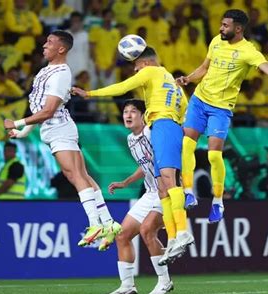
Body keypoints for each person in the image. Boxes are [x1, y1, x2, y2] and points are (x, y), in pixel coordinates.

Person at [176, 9, 268, 221]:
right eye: (221, 24)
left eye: (225, 26)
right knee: (187, 143)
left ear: (238, 29)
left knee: (214, 155)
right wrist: (189, 79)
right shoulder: (216, 41)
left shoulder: (248, 51)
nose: (220, 28)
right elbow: (205, 67)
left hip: (221, 108)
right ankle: (188, 192)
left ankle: (217, 202)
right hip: (199, 100)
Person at [71, 46, 194, 266]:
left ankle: (183, 232)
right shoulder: (173, 84)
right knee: (163, 186)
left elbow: (123, 87)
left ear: (144, 63)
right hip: (170, 127)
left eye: (136, 66)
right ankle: (174, 236)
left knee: (168, 181)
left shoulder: (151, 71)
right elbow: (186, 113)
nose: (136, 71)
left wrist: (90, 93)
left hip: (163, 124)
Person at [3, 30, 121, 250]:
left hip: (59, 128)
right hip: (56, 128)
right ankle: (108, 222)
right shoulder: (46, 71)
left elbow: (48, 111)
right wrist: (23, 133)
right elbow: (38, 107)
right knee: (82, 175)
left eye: (49, 42)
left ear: (62, 49)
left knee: (74, 175)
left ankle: (94, 224)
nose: (44, 45)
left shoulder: (60, 74)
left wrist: (17, 123)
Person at [104, 99, 172, 294]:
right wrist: (126, 182)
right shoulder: (130, 139)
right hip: (150, 192)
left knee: (147, 230)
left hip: (167, 191)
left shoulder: (152, 133)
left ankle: (165, 281)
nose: (128, 115)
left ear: (143, 116)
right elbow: (144, 166)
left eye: (134, 111)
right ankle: (127, 286)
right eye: (125, 111)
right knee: (122, 235)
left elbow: (169, 157)